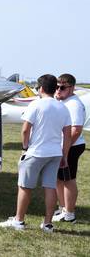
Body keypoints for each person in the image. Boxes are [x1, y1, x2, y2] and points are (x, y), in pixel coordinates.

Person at [0, 74, 71, 233]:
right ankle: (47, 224)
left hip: (36, 151)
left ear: (41, 88)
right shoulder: (63, 107)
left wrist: (25, 147)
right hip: (55, 153)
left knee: (25, 186)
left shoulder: (35, 104)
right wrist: (64, 156)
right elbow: (67, 135)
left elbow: (25, 130)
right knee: (50, 187)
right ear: (54, 88)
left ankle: (19, 220)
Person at [53, 73, 85, 223]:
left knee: (68, 179)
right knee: (59, 179)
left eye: (62, 88)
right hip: (63, 146)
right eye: (56, 87)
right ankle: (63, 208)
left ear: (71, 88)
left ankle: (70, 214)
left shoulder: (74, 104)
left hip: (71, 146)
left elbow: (76, 130)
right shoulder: (63, 101)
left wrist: (64, 151)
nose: (58, 90)